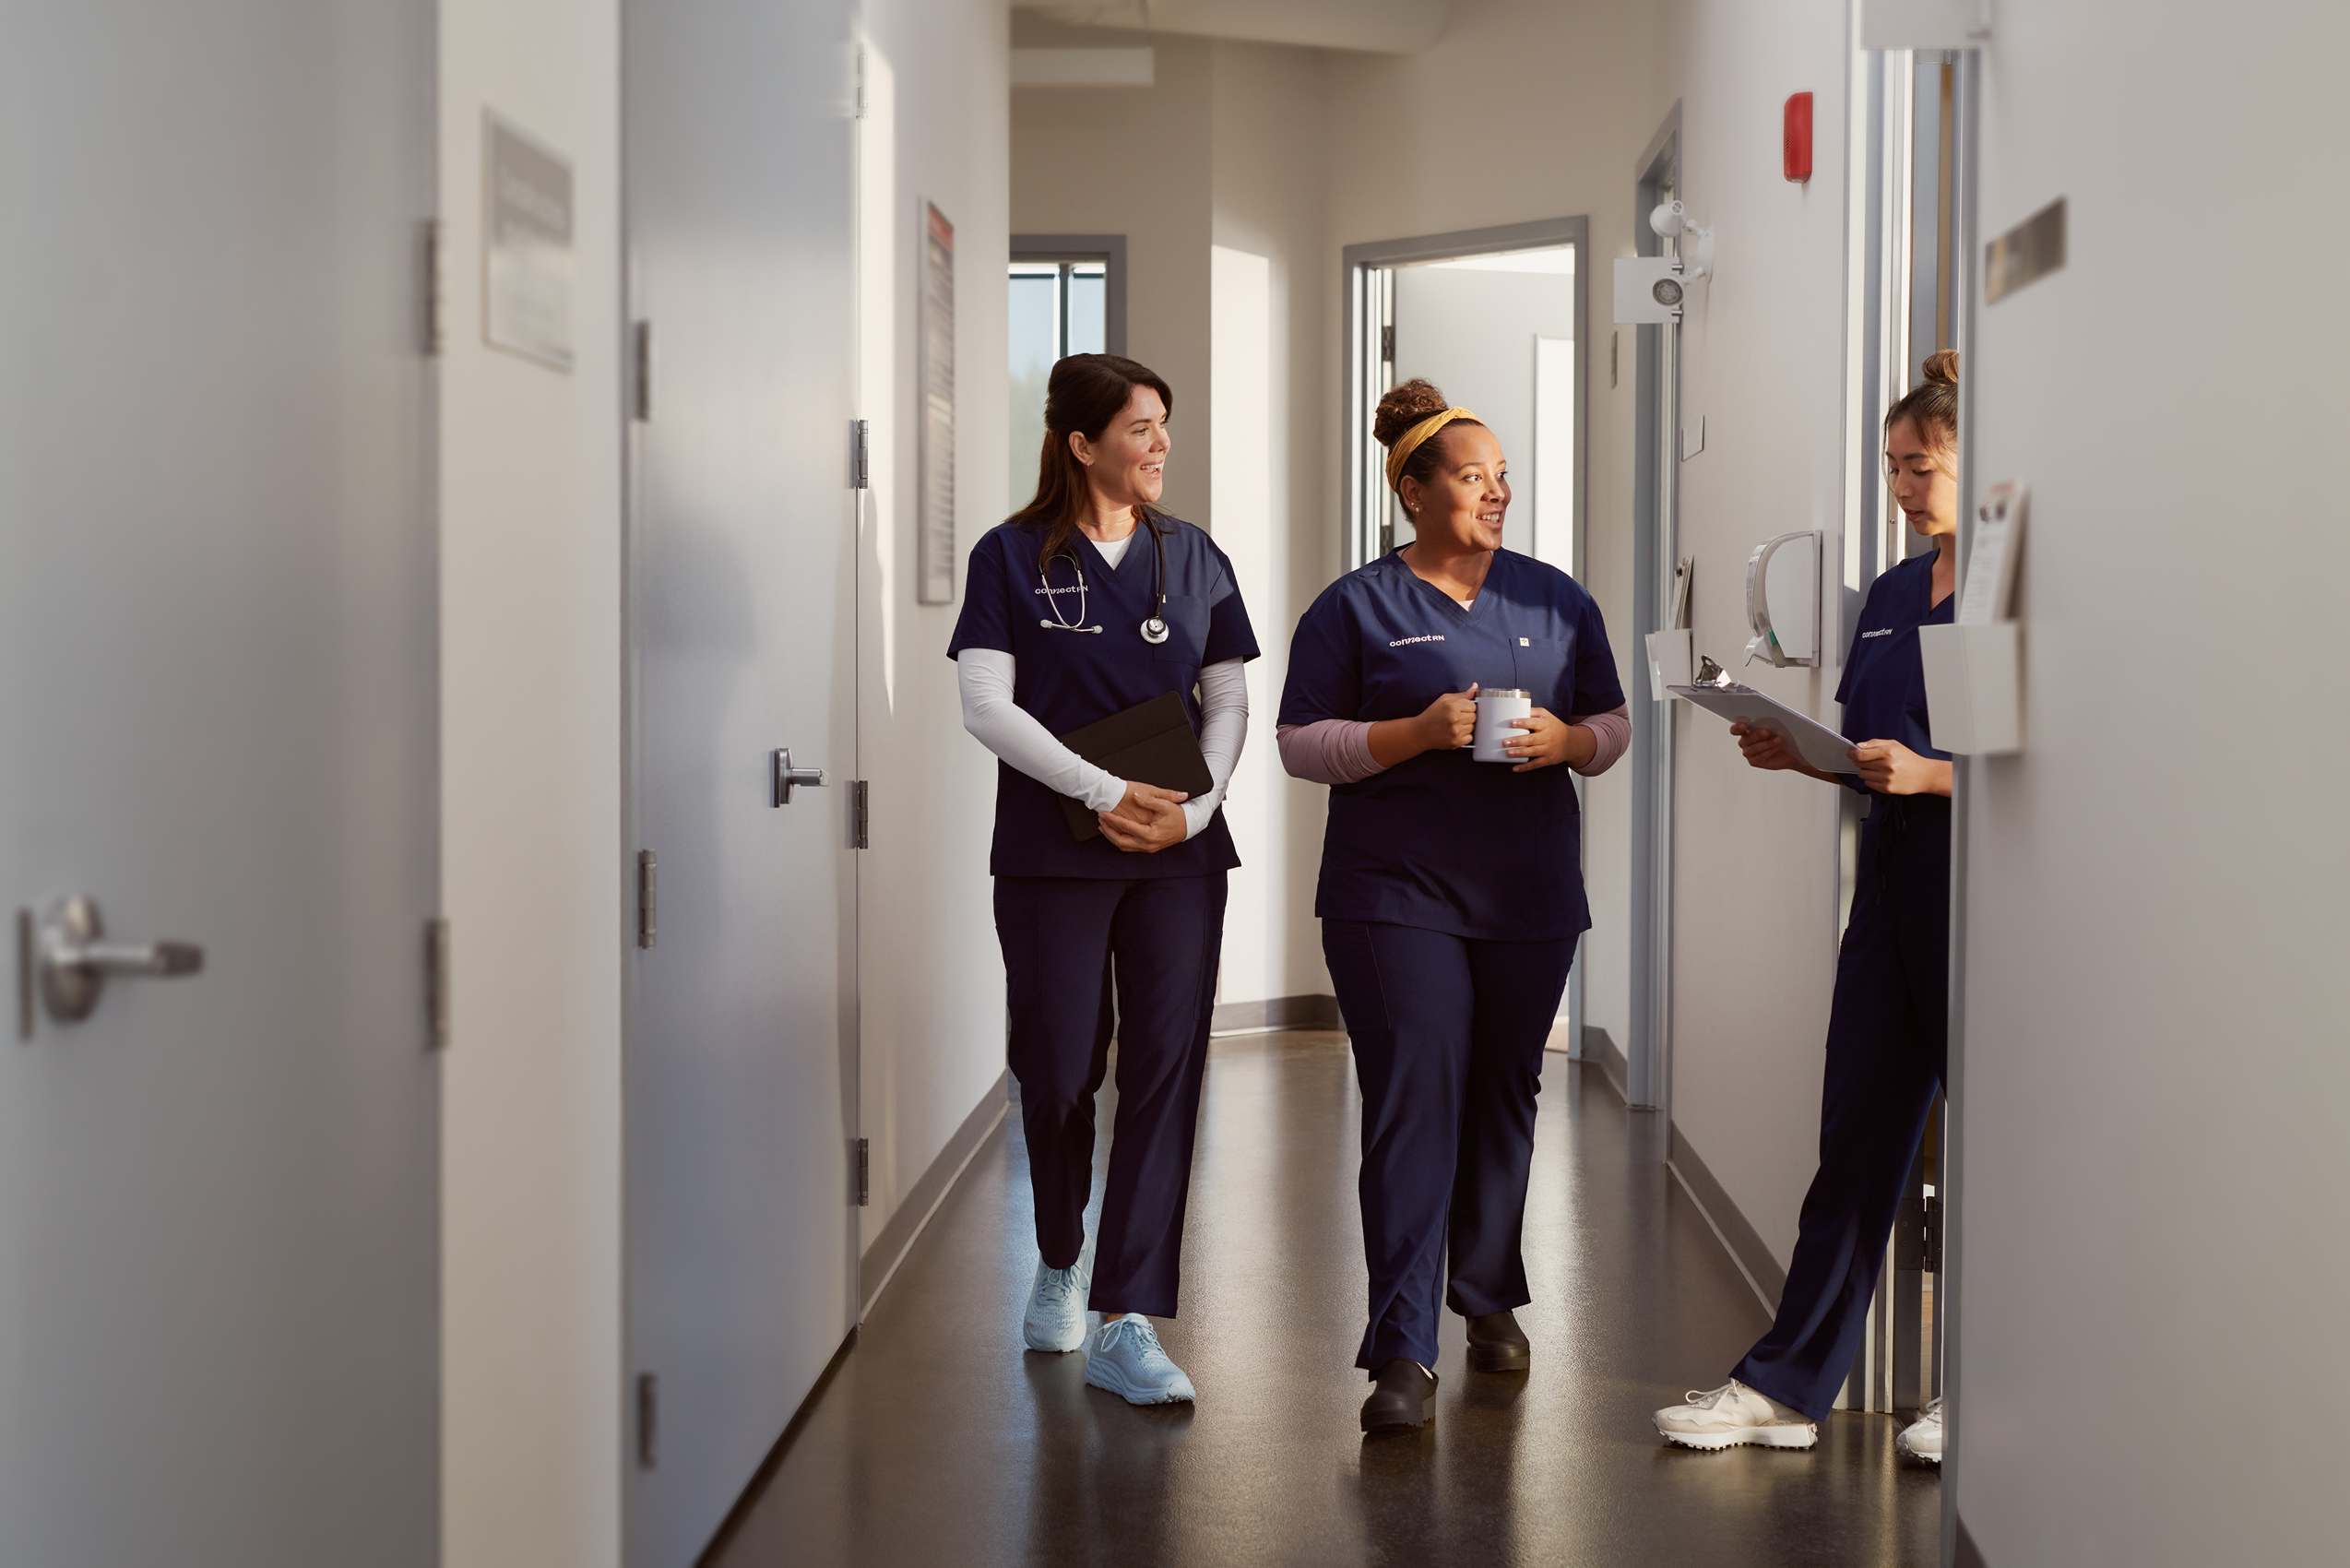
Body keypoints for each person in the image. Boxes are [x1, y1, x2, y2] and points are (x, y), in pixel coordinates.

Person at [1277, 379, 1629, 1431]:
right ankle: (1401, 1346)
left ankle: (1484, 1294)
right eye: (1474, 476)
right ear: (1415, 493)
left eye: (1502, 475)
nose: (1497, 491)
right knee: (1414, 1098)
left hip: (1527, 887)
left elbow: (1610, 722)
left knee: (1502, 1093)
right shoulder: (1353, 606)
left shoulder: (1555, 598)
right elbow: (1302, 744)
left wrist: (1570, 743)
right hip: (1394, 892)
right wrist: (1412, 734)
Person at [1653, 350, 1964, 1464]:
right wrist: (1801, 754)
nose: (1901, 485)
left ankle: (1981, 1391)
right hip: (1885, 887)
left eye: (1919, 464)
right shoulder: (1889, 593)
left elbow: (2056, 756)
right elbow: (1870, 751)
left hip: (1979, 892)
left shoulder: (2015, 587)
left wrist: (1935, 777)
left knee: (1990, 1152)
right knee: (1857, 1141)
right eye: (1891, 466)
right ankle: (1785, 1388)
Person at [947, 353, 1258, 1406]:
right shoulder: (1011, 557)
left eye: (1165, 422)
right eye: (1138, 427)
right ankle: (1058, 1251)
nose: (1160, 442)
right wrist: (1097, 790)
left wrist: (1197, 803)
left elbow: (1228, 698)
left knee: (1166, 1065)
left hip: (1180, 850)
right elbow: (985, 704)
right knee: (1059, 1064)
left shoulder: (1195, 555)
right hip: (1052, 851)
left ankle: (1129, 1315)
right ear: (1081, 444)